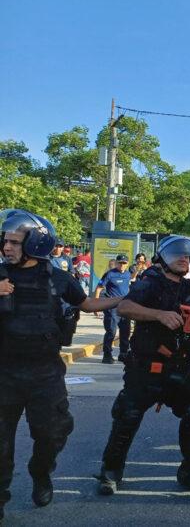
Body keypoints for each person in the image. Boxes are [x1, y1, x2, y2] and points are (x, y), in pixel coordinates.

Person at [0, 209, 122, 519]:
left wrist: (122, 300)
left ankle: (41, 473)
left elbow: (88, 303)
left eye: (14, 242)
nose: (7, 247)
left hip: (45, 374)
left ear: (35, 244)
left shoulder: (58, 278)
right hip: (4, 373)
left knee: (52, 433)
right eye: (5, 241)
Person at [96, 235, 190, 497]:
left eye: (187, 256)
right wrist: (159, 315)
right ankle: (110, 471)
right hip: (145, 369)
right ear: (162, 259)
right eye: (177, 255)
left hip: (179, 368)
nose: (184, 259)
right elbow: (125, 307)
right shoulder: (150, 282)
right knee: (128, 416)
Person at [95, 254, 132, 364]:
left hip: (125, 307)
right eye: (120, 263)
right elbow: (99, 288)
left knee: (125, 331)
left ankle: (123, 354)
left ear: (127, 264)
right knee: (111, 331)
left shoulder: (128, 274)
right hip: (112, 307)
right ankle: (107, 355)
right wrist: (96, 306)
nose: (122, 265)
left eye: (124, 263)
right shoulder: (110, 274)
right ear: (116, 263)